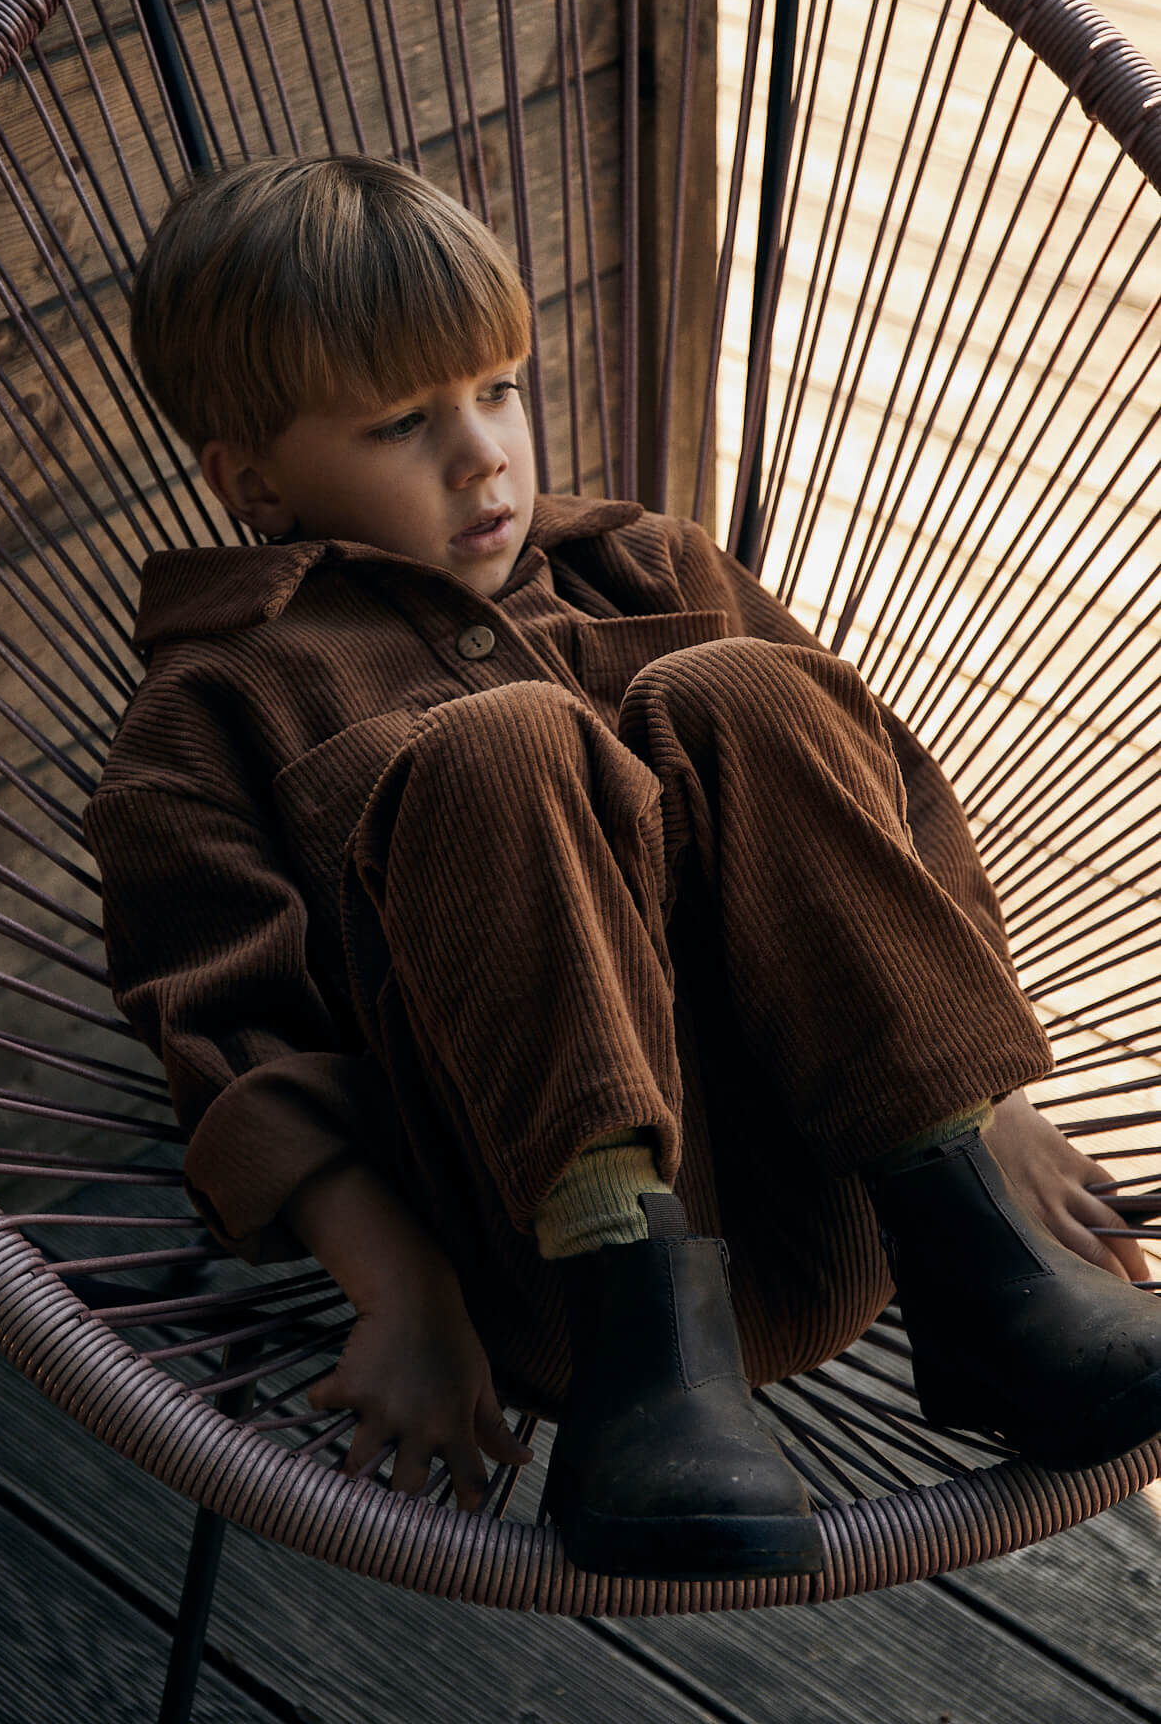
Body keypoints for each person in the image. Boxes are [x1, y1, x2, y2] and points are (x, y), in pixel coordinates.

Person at [84, 153, 1161, 1584]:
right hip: (559, 1299)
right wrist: (400, 1289)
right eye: (406, 421)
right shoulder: (213, 712)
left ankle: (983, 1281)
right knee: (500, 745)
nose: (483, 458)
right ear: (250, 479)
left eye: (500, 390)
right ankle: (641, 1341)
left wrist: (995, 1108)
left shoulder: (643, 567)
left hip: (850, 1206)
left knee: (744, 689)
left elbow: (881, 805)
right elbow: (233, 1043)